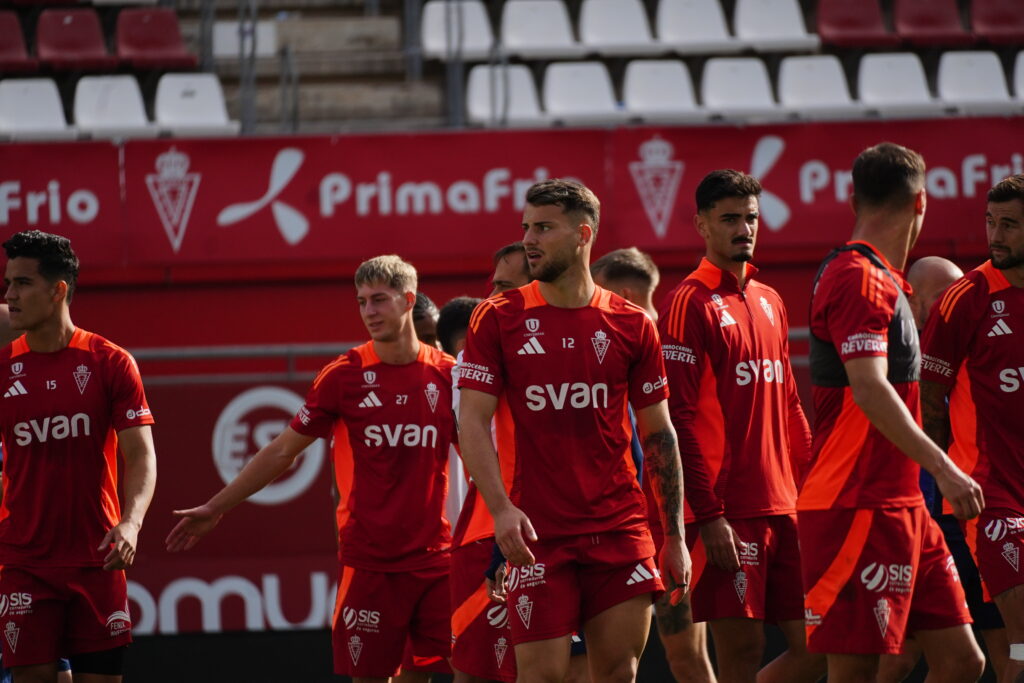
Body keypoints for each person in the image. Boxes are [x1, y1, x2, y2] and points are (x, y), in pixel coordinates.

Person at [167, 255, 457, 683]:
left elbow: (486, 456)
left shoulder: (449, 376)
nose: (369, 312)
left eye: (379, 300)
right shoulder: (344, 376)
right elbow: (283, 451)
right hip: (370, 563)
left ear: (408, 299)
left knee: (447, 674)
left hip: (438, 560)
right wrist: (216, 506)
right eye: (361, 302)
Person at [458, 179, 691, 683]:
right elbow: (471, 421)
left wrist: (673, 534)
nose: (529, 240)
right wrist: (500, 509)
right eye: (526, 228)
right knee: (540, 678)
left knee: (619, 673)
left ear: (583, 234)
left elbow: (659, 433)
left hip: (620, 529)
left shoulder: (633, 324)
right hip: (536, 534)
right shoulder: (497, 318)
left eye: (544, 228)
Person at [800, 142, 985, 683]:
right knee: (851, 672)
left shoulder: (884, 279)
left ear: (852, 196)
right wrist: (947, 469)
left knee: (961, 663)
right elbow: (870, 390)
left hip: (903, 507)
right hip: (856, 503)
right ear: (922, 202)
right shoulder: (859, 278)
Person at [657, 171, 821, 683]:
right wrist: (709, 516)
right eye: (729, 218)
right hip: (728, 511)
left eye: (751, 217)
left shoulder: (771, 299)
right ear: (701, 224)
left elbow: (790, 400)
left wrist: (811, 486)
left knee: (818, 644)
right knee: (741, 654)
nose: (744, 228)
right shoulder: (688, 301)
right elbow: (676, 419)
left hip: (785, 504)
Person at [0, 230, 157, 683]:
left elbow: (141, 456)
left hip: (97, 560)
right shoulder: (5, 368)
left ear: (58, 290)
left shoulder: (110, 362)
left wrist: (131, 523)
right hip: (24, 564)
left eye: (22, 283)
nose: (10, 295)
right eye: (8, 283)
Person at [879, 256, 1009, 683]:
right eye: (942, 301)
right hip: (910, 528)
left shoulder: (974, 357)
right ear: (911, 303)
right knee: (901, 658)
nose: (956, 309)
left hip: (966, 524)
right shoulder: (886, 369)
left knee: (992, 654)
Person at [592, 247, 717, 683]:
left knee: (680, 654)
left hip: (659, 523)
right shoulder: (653, 342)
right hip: (651, 523)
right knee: (684, 655)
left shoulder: (646, 344)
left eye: (598, 292)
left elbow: (670, 434)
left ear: (623, 293)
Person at [919, 174, 1024, 683]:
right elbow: (931, 400)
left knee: (1007, 652)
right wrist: (945, 475)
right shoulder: (967, 297)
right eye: (990, 222)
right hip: (990, 495)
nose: (996, 235)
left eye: (1009, 224)